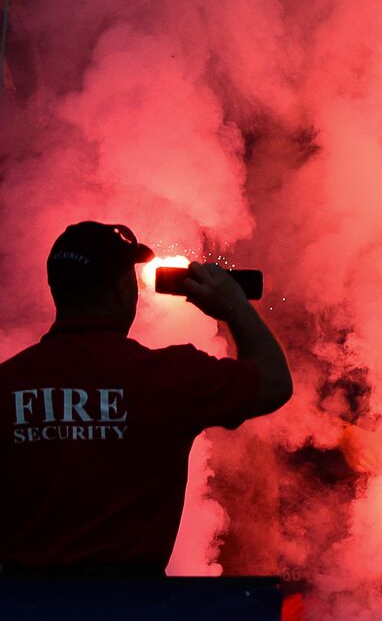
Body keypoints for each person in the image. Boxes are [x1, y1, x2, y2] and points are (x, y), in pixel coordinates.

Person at [0, 221, 293, 574]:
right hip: (135, 604)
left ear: (56, 289)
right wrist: (233, 305)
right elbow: (274, 381)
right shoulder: (168, 377)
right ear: (123, 289)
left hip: (22, 604)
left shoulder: (8, 384)